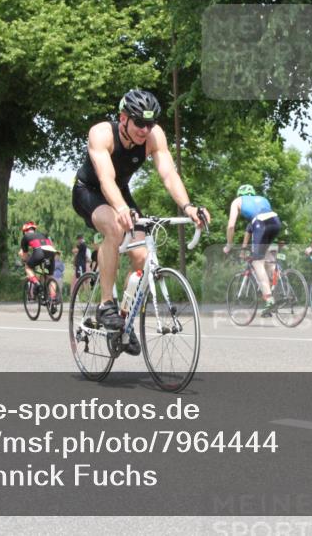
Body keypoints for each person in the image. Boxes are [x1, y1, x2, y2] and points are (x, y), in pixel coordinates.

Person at [71, 89, 208, 355]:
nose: (145, 130)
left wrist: (188, 206)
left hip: (120, 193)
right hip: (89, 191)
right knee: (114, 227)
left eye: (150, 123)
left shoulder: (154, 136)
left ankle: (122, 322)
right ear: (123, 118)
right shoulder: (101, 133)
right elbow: (106, 179)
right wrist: (120, 208)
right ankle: (105, 304)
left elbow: (168, 173)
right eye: (139, 123)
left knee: (142, 255)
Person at [224, 184, 282, 317]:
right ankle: (279, 287)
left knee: (257, 263)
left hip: (261, 224)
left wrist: (229, 245)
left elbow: (231, 225)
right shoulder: (262, 199)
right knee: (266, 258)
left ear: (240, 194)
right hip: (275, 221)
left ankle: (269, 299)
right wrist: (244, 249)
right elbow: (251, 228)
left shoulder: (237, 201)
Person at [18, 222, 59, 302]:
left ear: (25, 231)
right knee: (49, 277)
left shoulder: (25, 237)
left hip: (39, 252)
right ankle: (53, 298)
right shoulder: (42, 234)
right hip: (51, 252)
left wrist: (24, 261)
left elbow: (25, 255)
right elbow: (51, 245)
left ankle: (37, 284)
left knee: (28, 267)